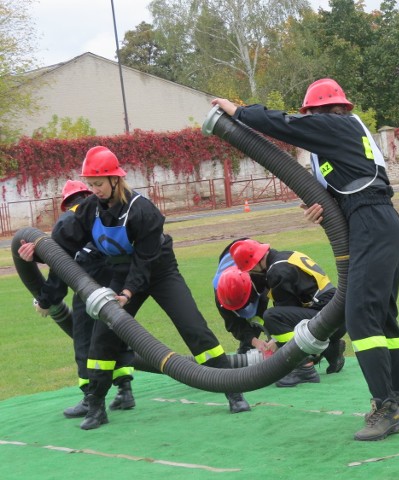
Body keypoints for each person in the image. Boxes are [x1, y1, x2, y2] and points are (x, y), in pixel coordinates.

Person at [211, 78, 399, 441]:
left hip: (372, 224)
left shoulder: (336, 126)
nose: (309, 120)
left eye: (310, 115)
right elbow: (354, 189)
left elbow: (286, 125)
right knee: (383, 317)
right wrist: (326, 208)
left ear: (321, 112)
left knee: (361, 317)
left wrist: (238, 112)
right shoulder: (344, 139)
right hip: (379, 224)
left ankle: (387, 408)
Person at [52, 146, 250, 430]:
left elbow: (145, 261)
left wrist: (127, 294)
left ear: (115, 180)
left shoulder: (142, 210)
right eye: (90, 184)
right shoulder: (90, 209)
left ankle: (232, 391)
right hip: (122, 273)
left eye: (98, 183)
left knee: (193, 327)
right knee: (102, 336)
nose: (93, 189)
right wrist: (36, 251)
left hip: (159, 272)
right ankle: (96, 406)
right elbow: (64, 245)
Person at [18, 180, 136, 419]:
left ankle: (88, 397)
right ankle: (125, 390)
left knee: (84, 339)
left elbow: (62, 267)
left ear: (66, 204)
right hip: (118, 283)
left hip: (88, 286)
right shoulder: (102, 210)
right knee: (117, 332)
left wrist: (45, 301)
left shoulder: (69, 219)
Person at [227, 238, 346, 387]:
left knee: (272, 316)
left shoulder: (277, 271)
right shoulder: (285, 257)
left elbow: (284, 315)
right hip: (337, 318)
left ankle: (304, 368)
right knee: (280, 318)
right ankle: (332, 350)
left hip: (327, 320)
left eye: (250, 269)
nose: (251, 273)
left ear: (255, 262)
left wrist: (276, 342)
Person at [212, 238, 274, 356]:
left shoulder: (262, 273)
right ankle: (246, 348)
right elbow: (233, 324)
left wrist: (276, 338)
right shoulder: (221, 295)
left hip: (253, 252)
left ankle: (247, 346)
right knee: (248, 330)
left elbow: (281, 300)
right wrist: (255, 342)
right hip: (228, 255)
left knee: (261, 313)